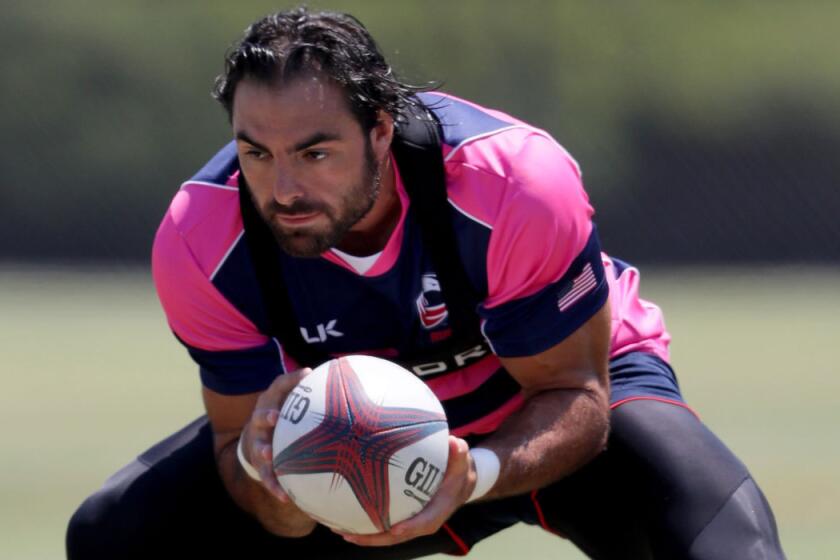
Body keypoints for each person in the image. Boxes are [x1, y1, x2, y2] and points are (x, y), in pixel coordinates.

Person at [67, 7, 785, 559]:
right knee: (115, 534)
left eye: (315, 152)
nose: (282, 187)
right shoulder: (201, 238)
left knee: (730, 543)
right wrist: (273, 488)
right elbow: (235, 443)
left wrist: (471, 472)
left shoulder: (511, 183)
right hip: (342, 440)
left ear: (380, 130)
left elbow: (578, 396)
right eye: (256, 152)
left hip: (544, 406)